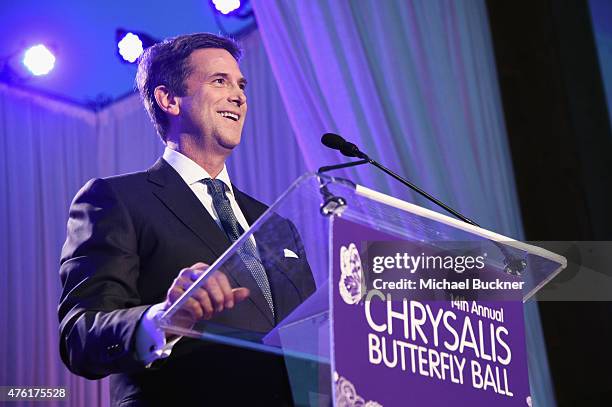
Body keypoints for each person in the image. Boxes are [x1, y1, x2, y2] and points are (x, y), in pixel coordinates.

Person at [58, 33, 316, 406]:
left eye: (241, 85)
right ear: (168, 99)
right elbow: (79, 334)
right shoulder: (116, 200)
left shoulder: (275, 225)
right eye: (219, 81)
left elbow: (308, 335)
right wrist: (163, 319)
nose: (239, 96)